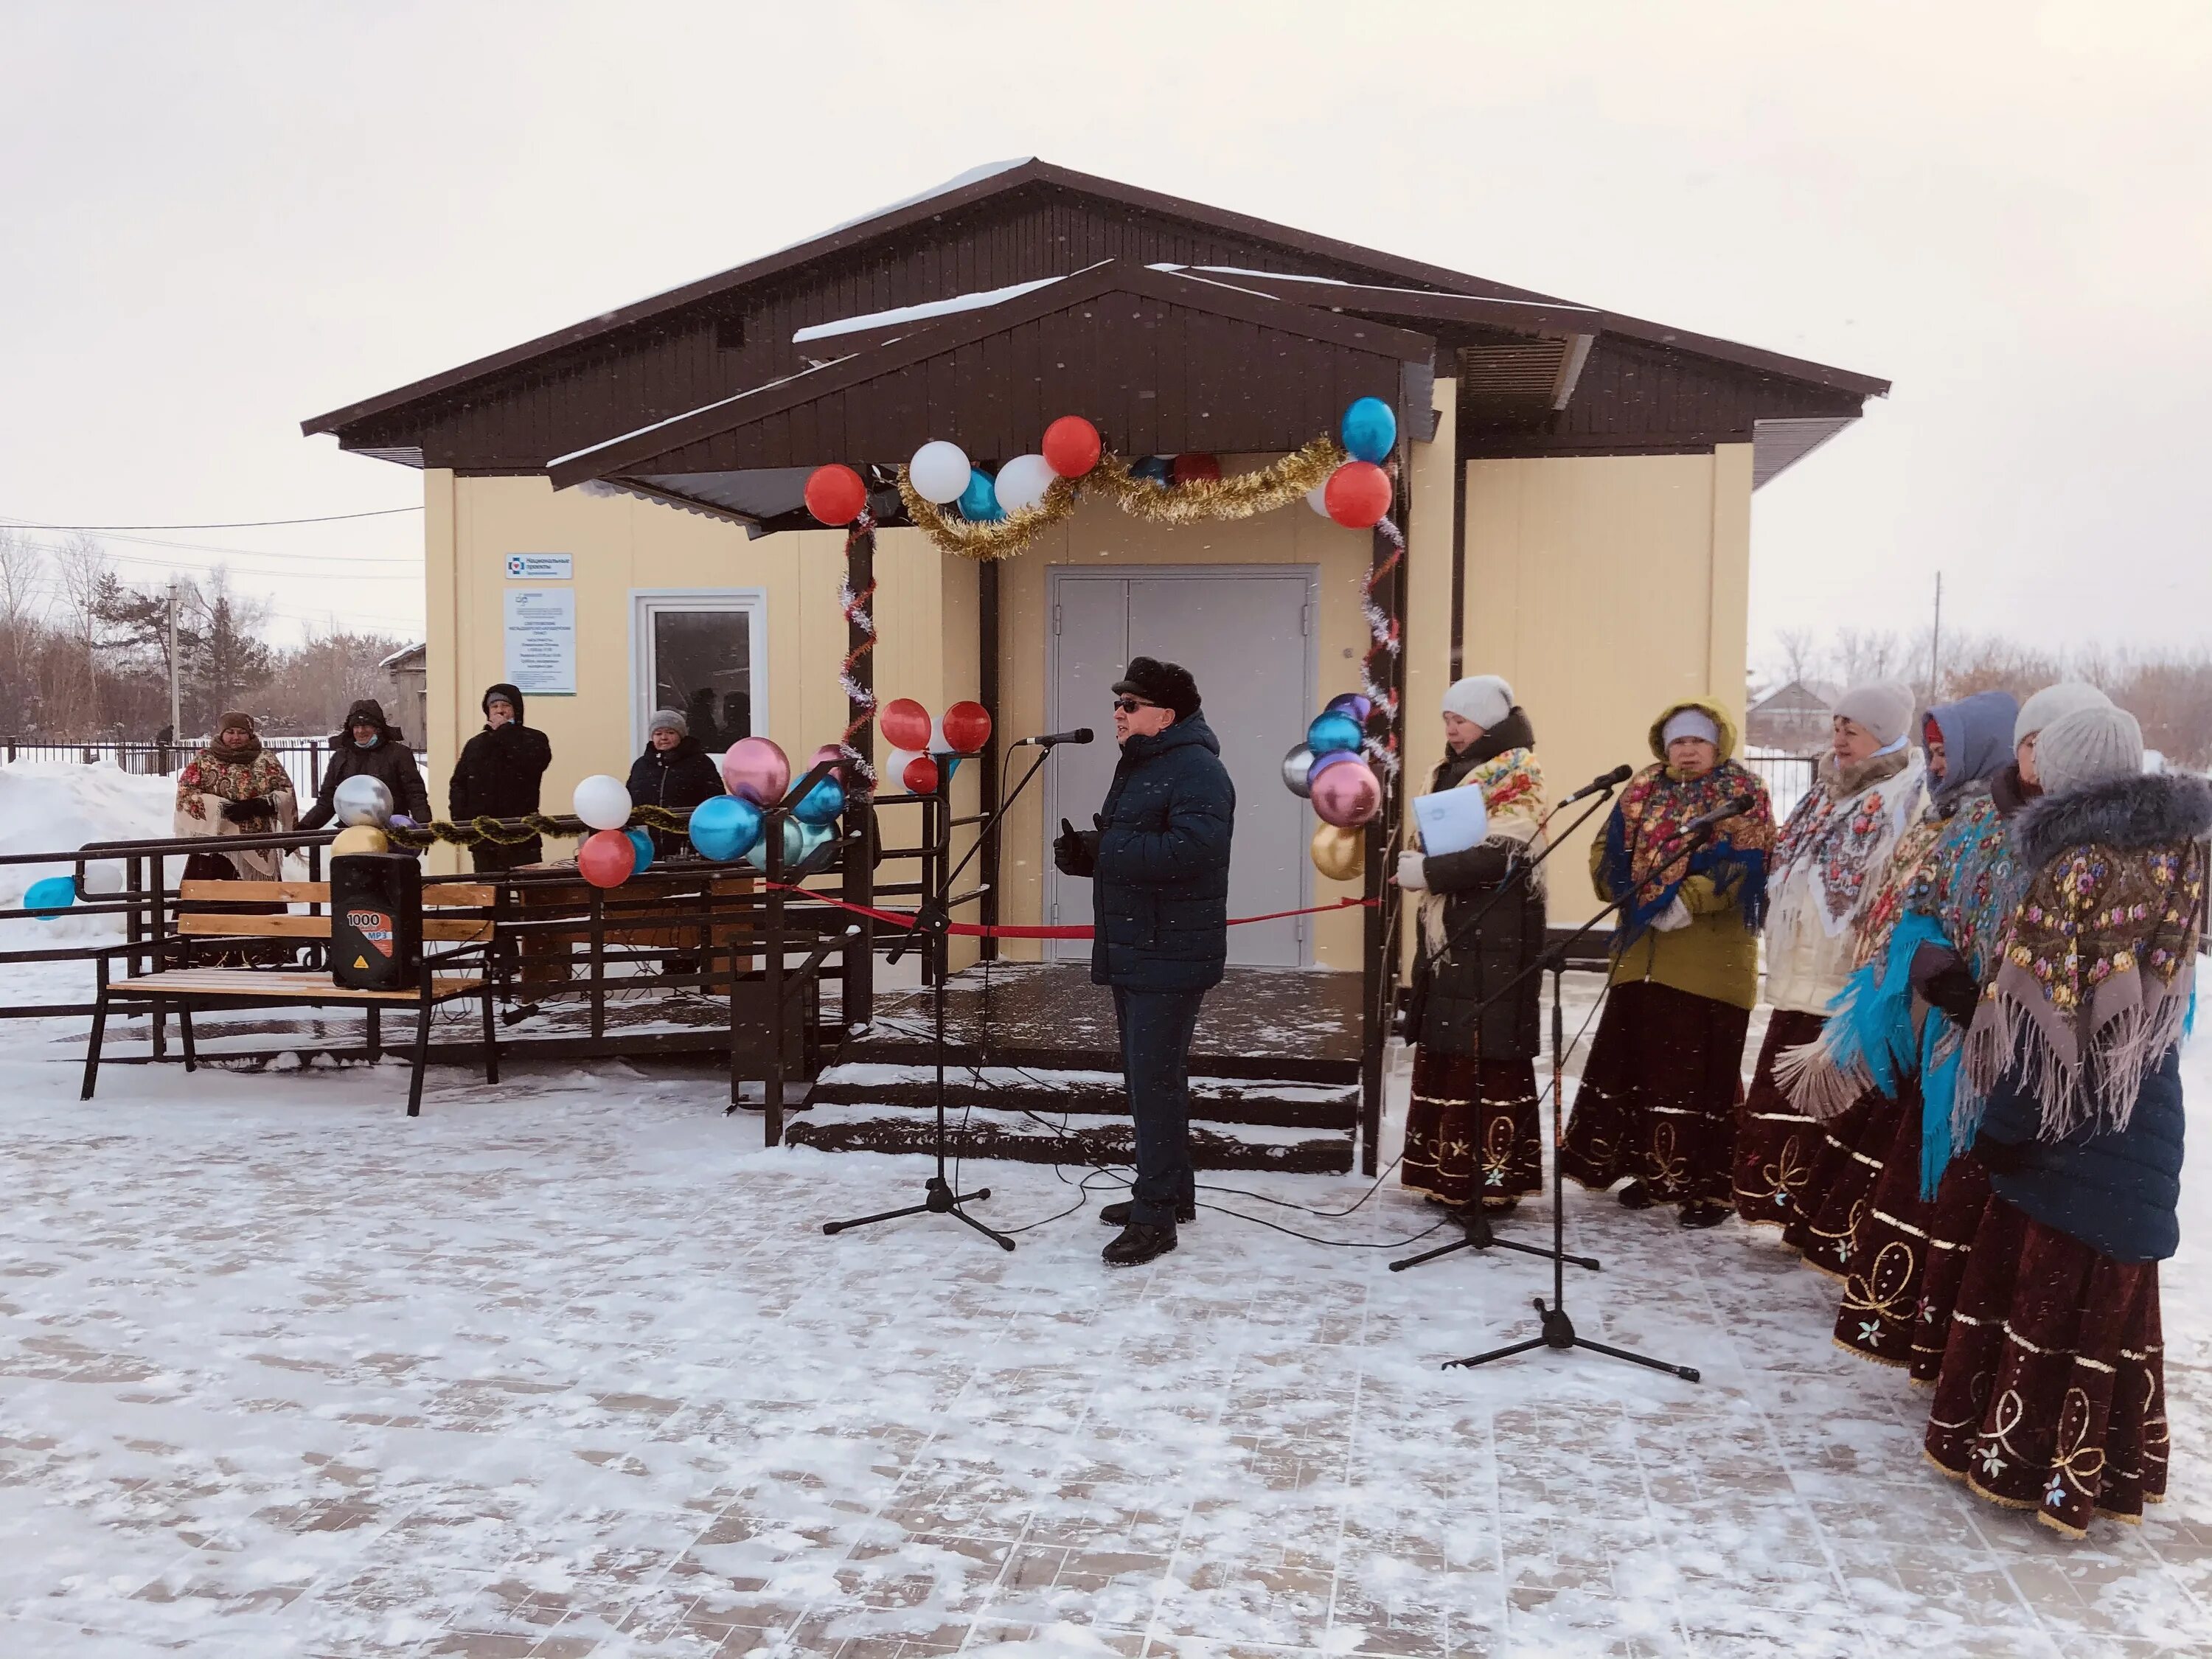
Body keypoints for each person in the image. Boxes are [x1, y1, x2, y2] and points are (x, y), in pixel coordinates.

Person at [1921, 703, 2205, 1534]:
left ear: (2071, 768)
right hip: (2139, 1090)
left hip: (2065, 1118)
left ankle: (2027, 1461)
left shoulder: (2075, 864)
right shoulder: (2177, 850)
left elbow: (2044, 1015)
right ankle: (2096, 1469)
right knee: (2105, 1293)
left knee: (2051, 1288)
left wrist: (2003, 1125)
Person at [1809, 684, 2106, 1371]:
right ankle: (1919, 1325)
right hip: (1951, 1034)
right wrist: (1934, 962)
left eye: (2052, 742)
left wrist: (2004, 1006)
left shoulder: (2085, 846)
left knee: (1992, 1195)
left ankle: (1967, 1347)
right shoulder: (1978, 822)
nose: (2038, 756)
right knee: (1937, 1178)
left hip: (2025, 1051)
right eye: (2030, 741)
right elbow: (1923, 897)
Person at [1776, 689, 2019, 1272]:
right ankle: (1854, 1245)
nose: (1935, 764)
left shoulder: (1985, 819)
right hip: (1908, 989)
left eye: (1944, 753)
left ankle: (1894, 1265)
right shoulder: (1945, 809)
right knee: (1884, 1126)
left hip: (1947, 1007)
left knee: (1911, 1137)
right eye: (1932, 752)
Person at [1559, 700, 1775, 1228]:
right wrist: (1626, 892)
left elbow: (1751, 861)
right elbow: (1605, 850)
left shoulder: (1741, 794)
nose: (1687, 750)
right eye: (1678, 741)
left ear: (1717, 744)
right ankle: (1654, 1174)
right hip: (1641, 956)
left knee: (1699, 1076)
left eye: (1698, 741)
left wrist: (1690, 899)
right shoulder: (1643, 790)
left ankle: (1708, 1189)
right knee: (1644, 1069)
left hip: (1707, 962)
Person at [1054, 655, 1234, 1267]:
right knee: (1149, 1080)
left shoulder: (1198, 770)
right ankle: (1173, 1192)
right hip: (1138, 944)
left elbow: (1193, 850)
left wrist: (1111, 847)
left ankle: (1154, 1215)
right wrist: (1087, 855)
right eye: (1117, 703)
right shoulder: (1143, 765)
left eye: (1130, 705)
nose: (1118, 714)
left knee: (1152, 1083)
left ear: (1166, 714)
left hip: (1170, 950)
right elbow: (1138, 851)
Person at [1732, 681, 1924, 1227]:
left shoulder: (1909, 794)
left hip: (1849, 976)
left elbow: (1905, 881)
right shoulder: (1823, 789)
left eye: (1853, 730)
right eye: (1836, 727)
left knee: (1836, 1105)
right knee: (1783, 1101)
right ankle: (1777, 1204)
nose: (1839, 739)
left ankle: (1817, 1218)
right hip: (1801, 973)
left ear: (1883, 736)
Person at [1396, 674, 1548, 1215]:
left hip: (1496, 932)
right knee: (1450, 1043)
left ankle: (1489, 1181)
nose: (1451, 729)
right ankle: (1446, 1170)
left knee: (1486, 1049)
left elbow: (1506, 853)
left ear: (1485, 720)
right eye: (1447, 720)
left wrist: (1431, 871)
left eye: (1459, 720)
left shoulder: (1517, 773)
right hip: (1453, 929)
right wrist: (1420, 859)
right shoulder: (1447, 771)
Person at [173, 712, 297, 882]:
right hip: (214, 844)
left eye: (242, 732)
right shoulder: (205, 758)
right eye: (230, 732)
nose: (236, 737)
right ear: (222, 733)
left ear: (250, 734)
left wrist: (264, 804)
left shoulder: (266, 758)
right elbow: (186, 792)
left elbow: (286, 791)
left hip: (258, 839)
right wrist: (221, 807)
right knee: (210, 899)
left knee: (257, 901)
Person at [448, 682, 554, 872]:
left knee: (528, 894)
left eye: (506, 706)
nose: (500, 711)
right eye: (494, 706)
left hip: (521, 834)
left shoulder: (534, 738)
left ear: (516, 710)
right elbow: (459, 783)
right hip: (485, 838)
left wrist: (505, 731)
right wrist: (462, 821)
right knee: (489, 894)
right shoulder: (475, 744)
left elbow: (535, 764)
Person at [300, 698, 431, 831]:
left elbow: (415, 795)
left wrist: (424, 827)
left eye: (366, 726)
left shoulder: (399, 754)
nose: (360, 731)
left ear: (378, 728)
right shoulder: (341, 757)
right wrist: (303, 829)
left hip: (392, 832)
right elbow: (328, 800)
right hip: (351, 833)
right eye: (356, 726)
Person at [626, 709, 723, 859]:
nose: (664, 738)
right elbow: (629, 801)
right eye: (658, 734)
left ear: (681, 735)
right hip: (647, 849)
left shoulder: (700, 763)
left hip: (689, 848)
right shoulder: (641, 766)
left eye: (670, 732)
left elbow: (715, 801)